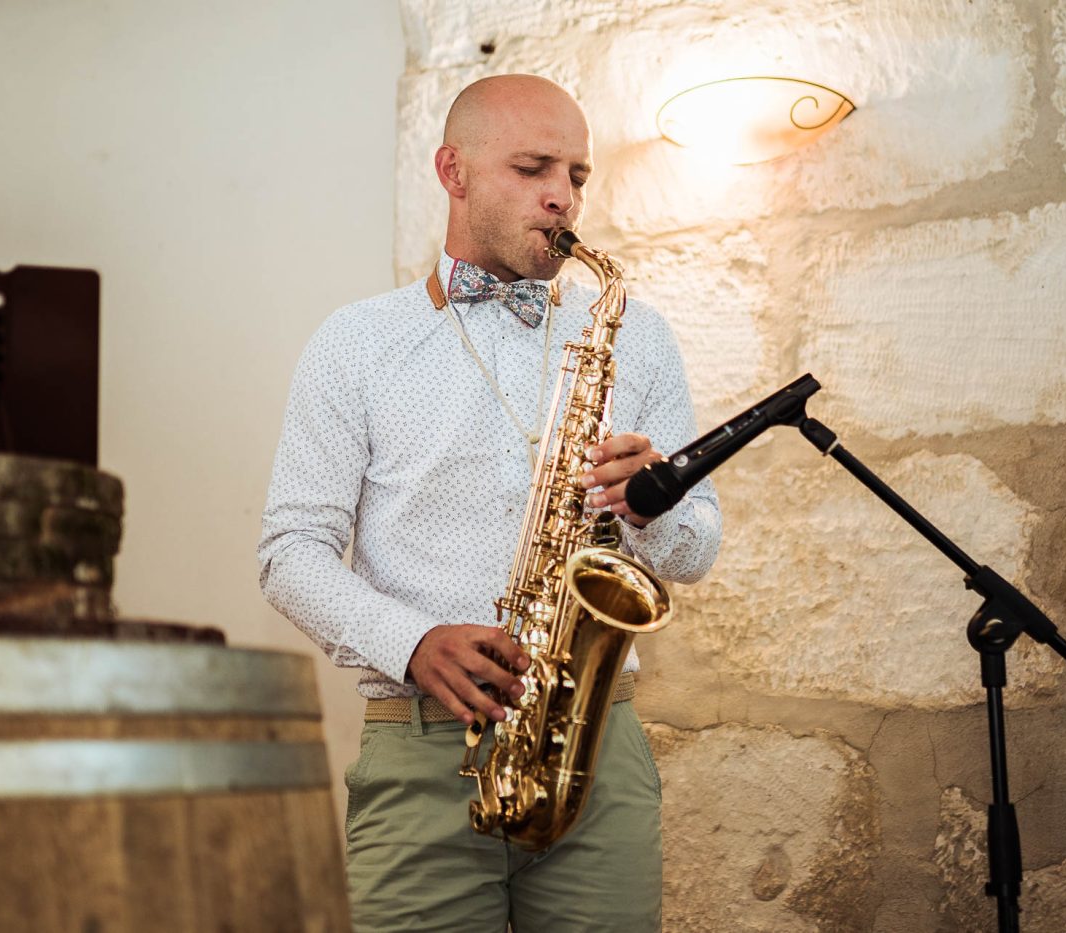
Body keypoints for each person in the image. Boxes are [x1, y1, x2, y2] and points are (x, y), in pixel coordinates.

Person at [258, 73, 720, 932]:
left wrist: (653, 510)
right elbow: (290, 552)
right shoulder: (356, 342)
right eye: (533, 167)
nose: (562, 196)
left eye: (577, 176)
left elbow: (695, 551)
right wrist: (414, 642)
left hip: (595, 751)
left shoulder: (635, 334)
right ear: (453, 171)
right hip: (421, 749)